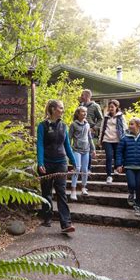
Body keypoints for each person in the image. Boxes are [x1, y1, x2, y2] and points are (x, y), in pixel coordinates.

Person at [37, 100, 77, 233]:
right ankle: (47, 217)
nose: (62, 110)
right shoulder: (42, 126)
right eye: (61, 108)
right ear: (53, 109)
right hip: (47, 163)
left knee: (61, 192)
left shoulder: (64, 126)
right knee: (46, 191)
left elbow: (67, 146)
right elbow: (40, 146)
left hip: (61, 163)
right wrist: (40, 163)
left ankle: (66, 224)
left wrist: (73, 161)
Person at [69, 106, 96, 200]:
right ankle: (73, 190)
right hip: (76, 149)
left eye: (86, 112)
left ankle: (84, 187)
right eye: (83, 112)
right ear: (78, 113)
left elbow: (89, 137)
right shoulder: (73, 125)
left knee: (85, 170)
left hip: (86, 150)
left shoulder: (87, 125)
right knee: (77, 168)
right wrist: (68, 151)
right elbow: (69, 138)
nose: (85, 113)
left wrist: (93, 149)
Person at [99, 100, 127, 184]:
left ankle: (116, 168)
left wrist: (125, 139)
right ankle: (109, 176)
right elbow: (102, 128)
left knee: (116, 156)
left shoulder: (121, 116)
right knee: (109, 156)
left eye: (112, 107)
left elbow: (125, 128)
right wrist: (100, 139)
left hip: (118, 139)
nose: (110, 108)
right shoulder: (106, 117)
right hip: (107, 139)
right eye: (109, 107)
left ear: (116, 107)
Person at [79, 89, 103, 169]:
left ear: (87, 96)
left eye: (82, 95)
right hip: (80, 130)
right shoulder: (80, 106)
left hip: (90, 130)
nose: (81, 96)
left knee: (88, 149)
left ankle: (87, 168)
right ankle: (80, 167)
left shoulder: (95, 106)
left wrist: (94, 128)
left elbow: (100, 119)